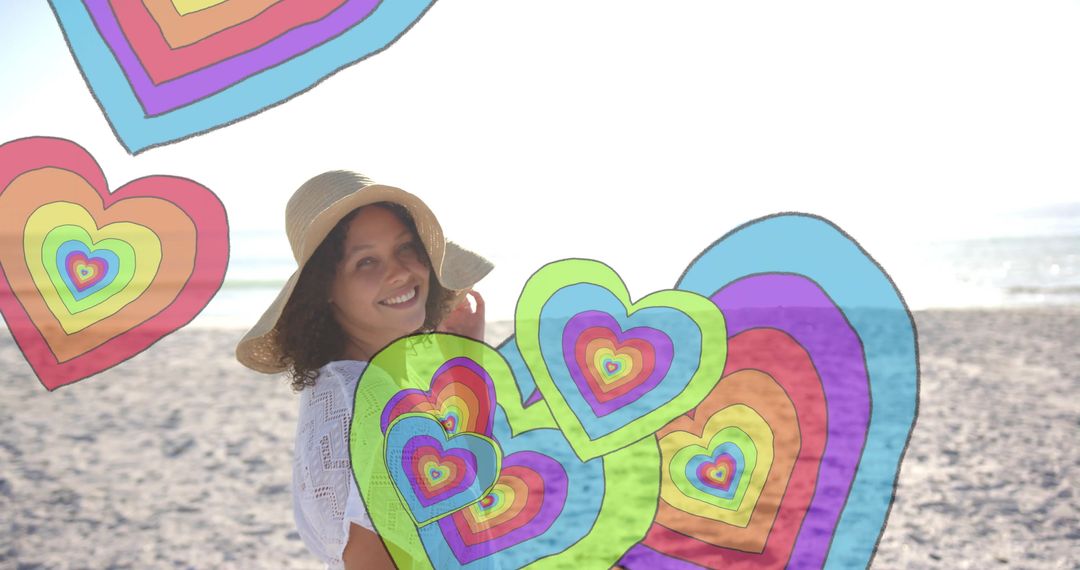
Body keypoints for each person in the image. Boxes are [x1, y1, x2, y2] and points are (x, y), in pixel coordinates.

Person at [235, 171, 492, 569]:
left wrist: (461, 365)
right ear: (325, 289)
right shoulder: (371, 409)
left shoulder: (352, 385)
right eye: (366, 261)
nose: (401, 272)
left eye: (407, 248)